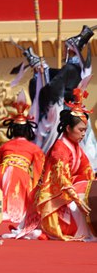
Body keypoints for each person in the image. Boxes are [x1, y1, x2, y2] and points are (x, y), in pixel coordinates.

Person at [14, 89, 95, 241]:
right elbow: (62, 180)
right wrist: (78, 200)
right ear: (68, 128)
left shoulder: (76, 148)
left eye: (85, 130)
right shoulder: (60, 149)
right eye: (81, 130)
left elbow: (87, 172)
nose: (83, 134)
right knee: (79, 219)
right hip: (53, 199)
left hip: (68, 194)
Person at [0, 95, 45, 224]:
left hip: (1, 173)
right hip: (20, 175)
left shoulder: (4, 146)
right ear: (28, 130)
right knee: (16, 214)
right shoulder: (34, 148)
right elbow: (39, 172)